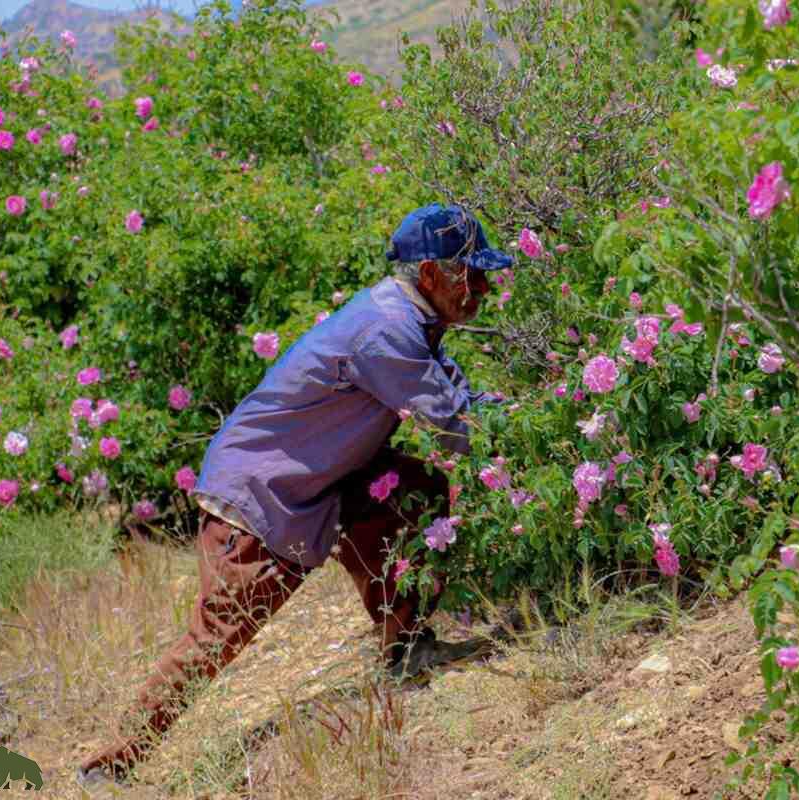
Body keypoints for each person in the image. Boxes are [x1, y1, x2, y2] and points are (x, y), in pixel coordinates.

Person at [77, 203, 513, 786]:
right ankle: (110, 767)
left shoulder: (411, 320)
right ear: (431, 275)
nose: (483, 285)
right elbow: (456, 428)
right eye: (471, 272)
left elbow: (455, 399)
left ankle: (405, 648)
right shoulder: (388, 331)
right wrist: (542, 431)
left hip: (316, 481)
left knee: (415, 489)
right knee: (218, 637)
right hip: (260, 499)